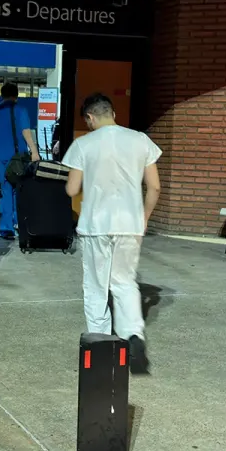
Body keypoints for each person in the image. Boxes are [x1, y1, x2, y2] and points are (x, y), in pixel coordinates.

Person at [63, 93, 161, 375]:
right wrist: (144, 218)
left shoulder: (83, 144)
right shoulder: (140, 140)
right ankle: (133, 336)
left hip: (95, 224)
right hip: (130, 223)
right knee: (124, 282)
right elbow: (154, 187)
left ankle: (101, 345)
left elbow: (71, 189)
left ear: (90, 118)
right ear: (113, 113)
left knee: (95, 285)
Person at [0, 83, 41, 240]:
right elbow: (25, 132)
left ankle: (6, 228)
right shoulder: (20, 110)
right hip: (16, 157)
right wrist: (34, 152)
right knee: (19, 189)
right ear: (16, 95)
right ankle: (19, 224)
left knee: (4, 191)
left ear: (1, 95)